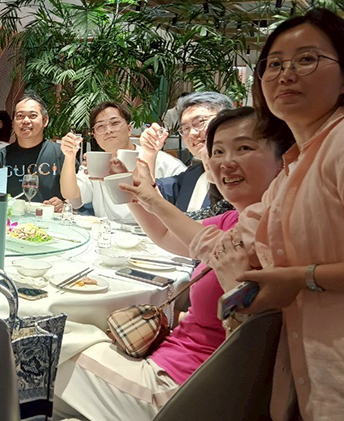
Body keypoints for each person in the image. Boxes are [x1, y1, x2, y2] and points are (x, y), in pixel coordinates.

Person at [188, 10, 344, 419]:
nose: (286, 74)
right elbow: (228, 242)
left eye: (306, 59)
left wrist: (302, 278)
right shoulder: (294, 169)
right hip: (314, 375)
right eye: (274, 64)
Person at [54, 107, 291, 421]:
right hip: (170, 364)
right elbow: (166, 236)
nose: (225, 162)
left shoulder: (273, 231)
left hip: (179, 390)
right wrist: (129, 188)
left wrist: (151, 197)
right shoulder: (234, 219)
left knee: (45, 344)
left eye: (244, 148)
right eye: (218, 151)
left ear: (284, 160)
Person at [60, 102, 185, 223]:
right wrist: (69, 156)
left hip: (153, 233)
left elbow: (188, 202)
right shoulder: (96, 163)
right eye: (100, 126)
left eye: (115, 123)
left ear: (129, 129)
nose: (108, 130)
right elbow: (72, 196)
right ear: (94, 135)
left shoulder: (161, 161)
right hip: (108, 233)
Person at [0, 94, 73, 212]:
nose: (26, 121)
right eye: (20, 116)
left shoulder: (62, 155)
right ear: (13, 122)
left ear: (45, 120)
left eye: (33, 116)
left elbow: (77, 196)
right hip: (10, 220)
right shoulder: (1, 156)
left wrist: (64, 204)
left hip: (50, 219)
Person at [141, 92, 234, 214]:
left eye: (200, 122)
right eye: (185, 128)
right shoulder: (191, 176)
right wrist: (149, 152)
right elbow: (145, 194)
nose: (192, 134)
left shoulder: (241, 175)